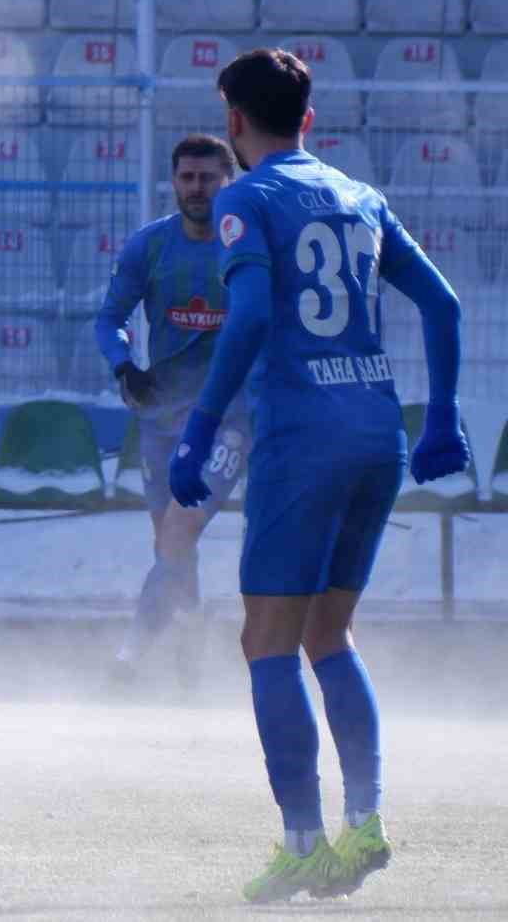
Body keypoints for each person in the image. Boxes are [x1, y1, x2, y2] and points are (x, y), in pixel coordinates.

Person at [167, 48, 469, 902]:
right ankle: (364, 822)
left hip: (302, 435)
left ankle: (302, 844)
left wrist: (197, 428)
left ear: (233, 121)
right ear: (309, 118)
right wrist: (440, 413)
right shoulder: (359, 195)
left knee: (265, 640)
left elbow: (257, 313)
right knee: (328, 635)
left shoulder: (245, 198)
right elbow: (443, 305)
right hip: (378, 428)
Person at [95, 134, 245, 687]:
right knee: (173, 548)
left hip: (230, 420)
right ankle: (190, 648)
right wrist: (123, 365)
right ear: (174, 182)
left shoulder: (246, 246)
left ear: (228, 182)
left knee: (178, 536)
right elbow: (108, 316)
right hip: (160, 419)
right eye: (187, 178)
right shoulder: (150, 246)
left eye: (208, 178)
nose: (197, 188)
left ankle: (126, 662)